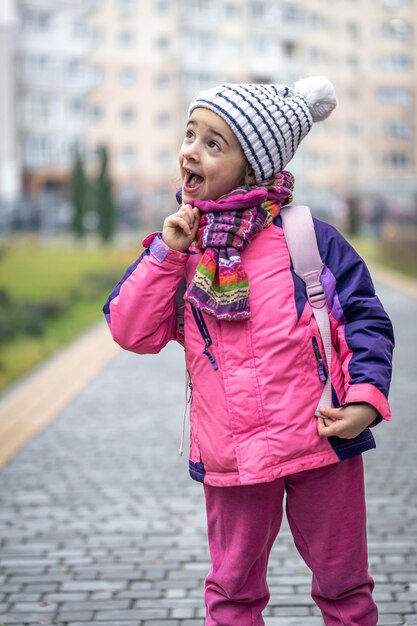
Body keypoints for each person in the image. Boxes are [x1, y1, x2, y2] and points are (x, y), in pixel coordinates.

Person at [103, 76, 394, 626]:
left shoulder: (309, 239)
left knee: (344, 586)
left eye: (215, 143)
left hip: (322, 443)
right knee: (232, 593)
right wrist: (166, 253)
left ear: (253, 167)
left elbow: (364, 320)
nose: (192, 149)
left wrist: (364, 400)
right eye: (191, 134)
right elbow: (131, 330)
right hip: (231, 456)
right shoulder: (179, 249)